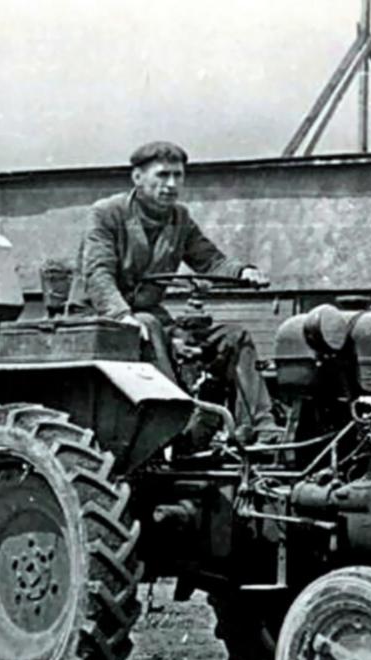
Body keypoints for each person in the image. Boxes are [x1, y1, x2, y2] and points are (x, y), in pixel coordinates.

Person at [67, 140, 280, 444]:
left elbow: (210, 260)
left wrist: (242, 272)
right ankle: (178, 423)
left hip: (150, 318)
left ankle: (261, 429)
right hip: (98, 319)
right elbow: (98, 274)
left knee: (234, 337)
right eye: (162, 175)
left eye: (177, 175)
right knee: (149, 323)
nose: (171, 184)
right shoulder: (106, 213)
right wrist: (122, 315)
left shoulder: (179, 218)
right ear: (137, 177)